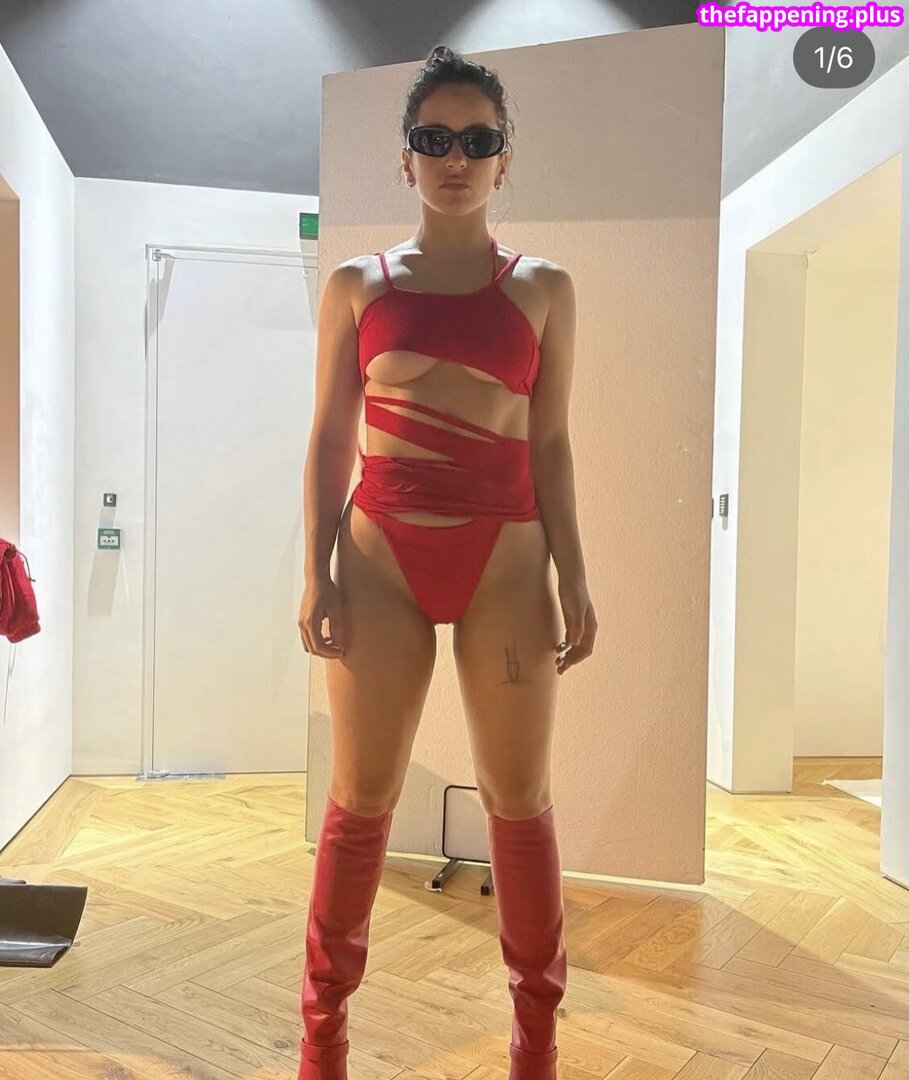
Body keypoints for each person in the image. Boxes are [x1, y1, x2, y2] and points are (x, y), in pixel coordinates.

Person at [296, 43, 597, 1080]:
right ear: (405, 158)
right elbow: (329, 439)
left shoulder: (547, 288)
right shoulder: (355, 284)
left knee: (518, 798)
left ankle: (535, 1049)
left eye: (477, 139)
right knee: (361, 795)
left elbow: (550, 443)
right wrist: (314, 569)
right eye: (434, 138)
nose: (455, 157)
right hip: (379, 558)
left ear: (505, 158)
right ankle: (322, 1045)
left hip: (507, 562)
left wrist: (575, 572)